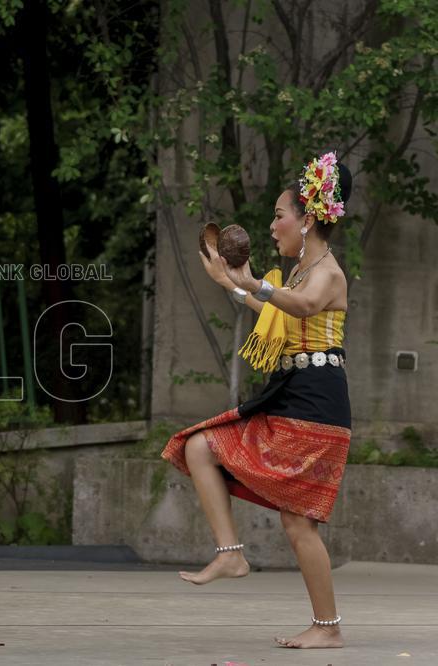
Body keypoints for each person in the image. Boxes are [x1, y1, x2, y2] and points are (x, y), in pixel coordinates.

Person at [162, 152, 353, 648]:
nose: (272, 226)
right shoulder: (293, 275)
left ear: (307, 219)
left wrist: (252, 284)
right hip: (289, 393)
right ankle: (231, 553)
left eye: (279, 215)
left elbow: (305, 306)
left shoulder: (327, 273)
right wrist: (232, 283)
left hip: (317, 404)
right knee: (200, 445)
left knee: (299, 522)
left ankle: (327, 629)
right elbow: (279, 307)